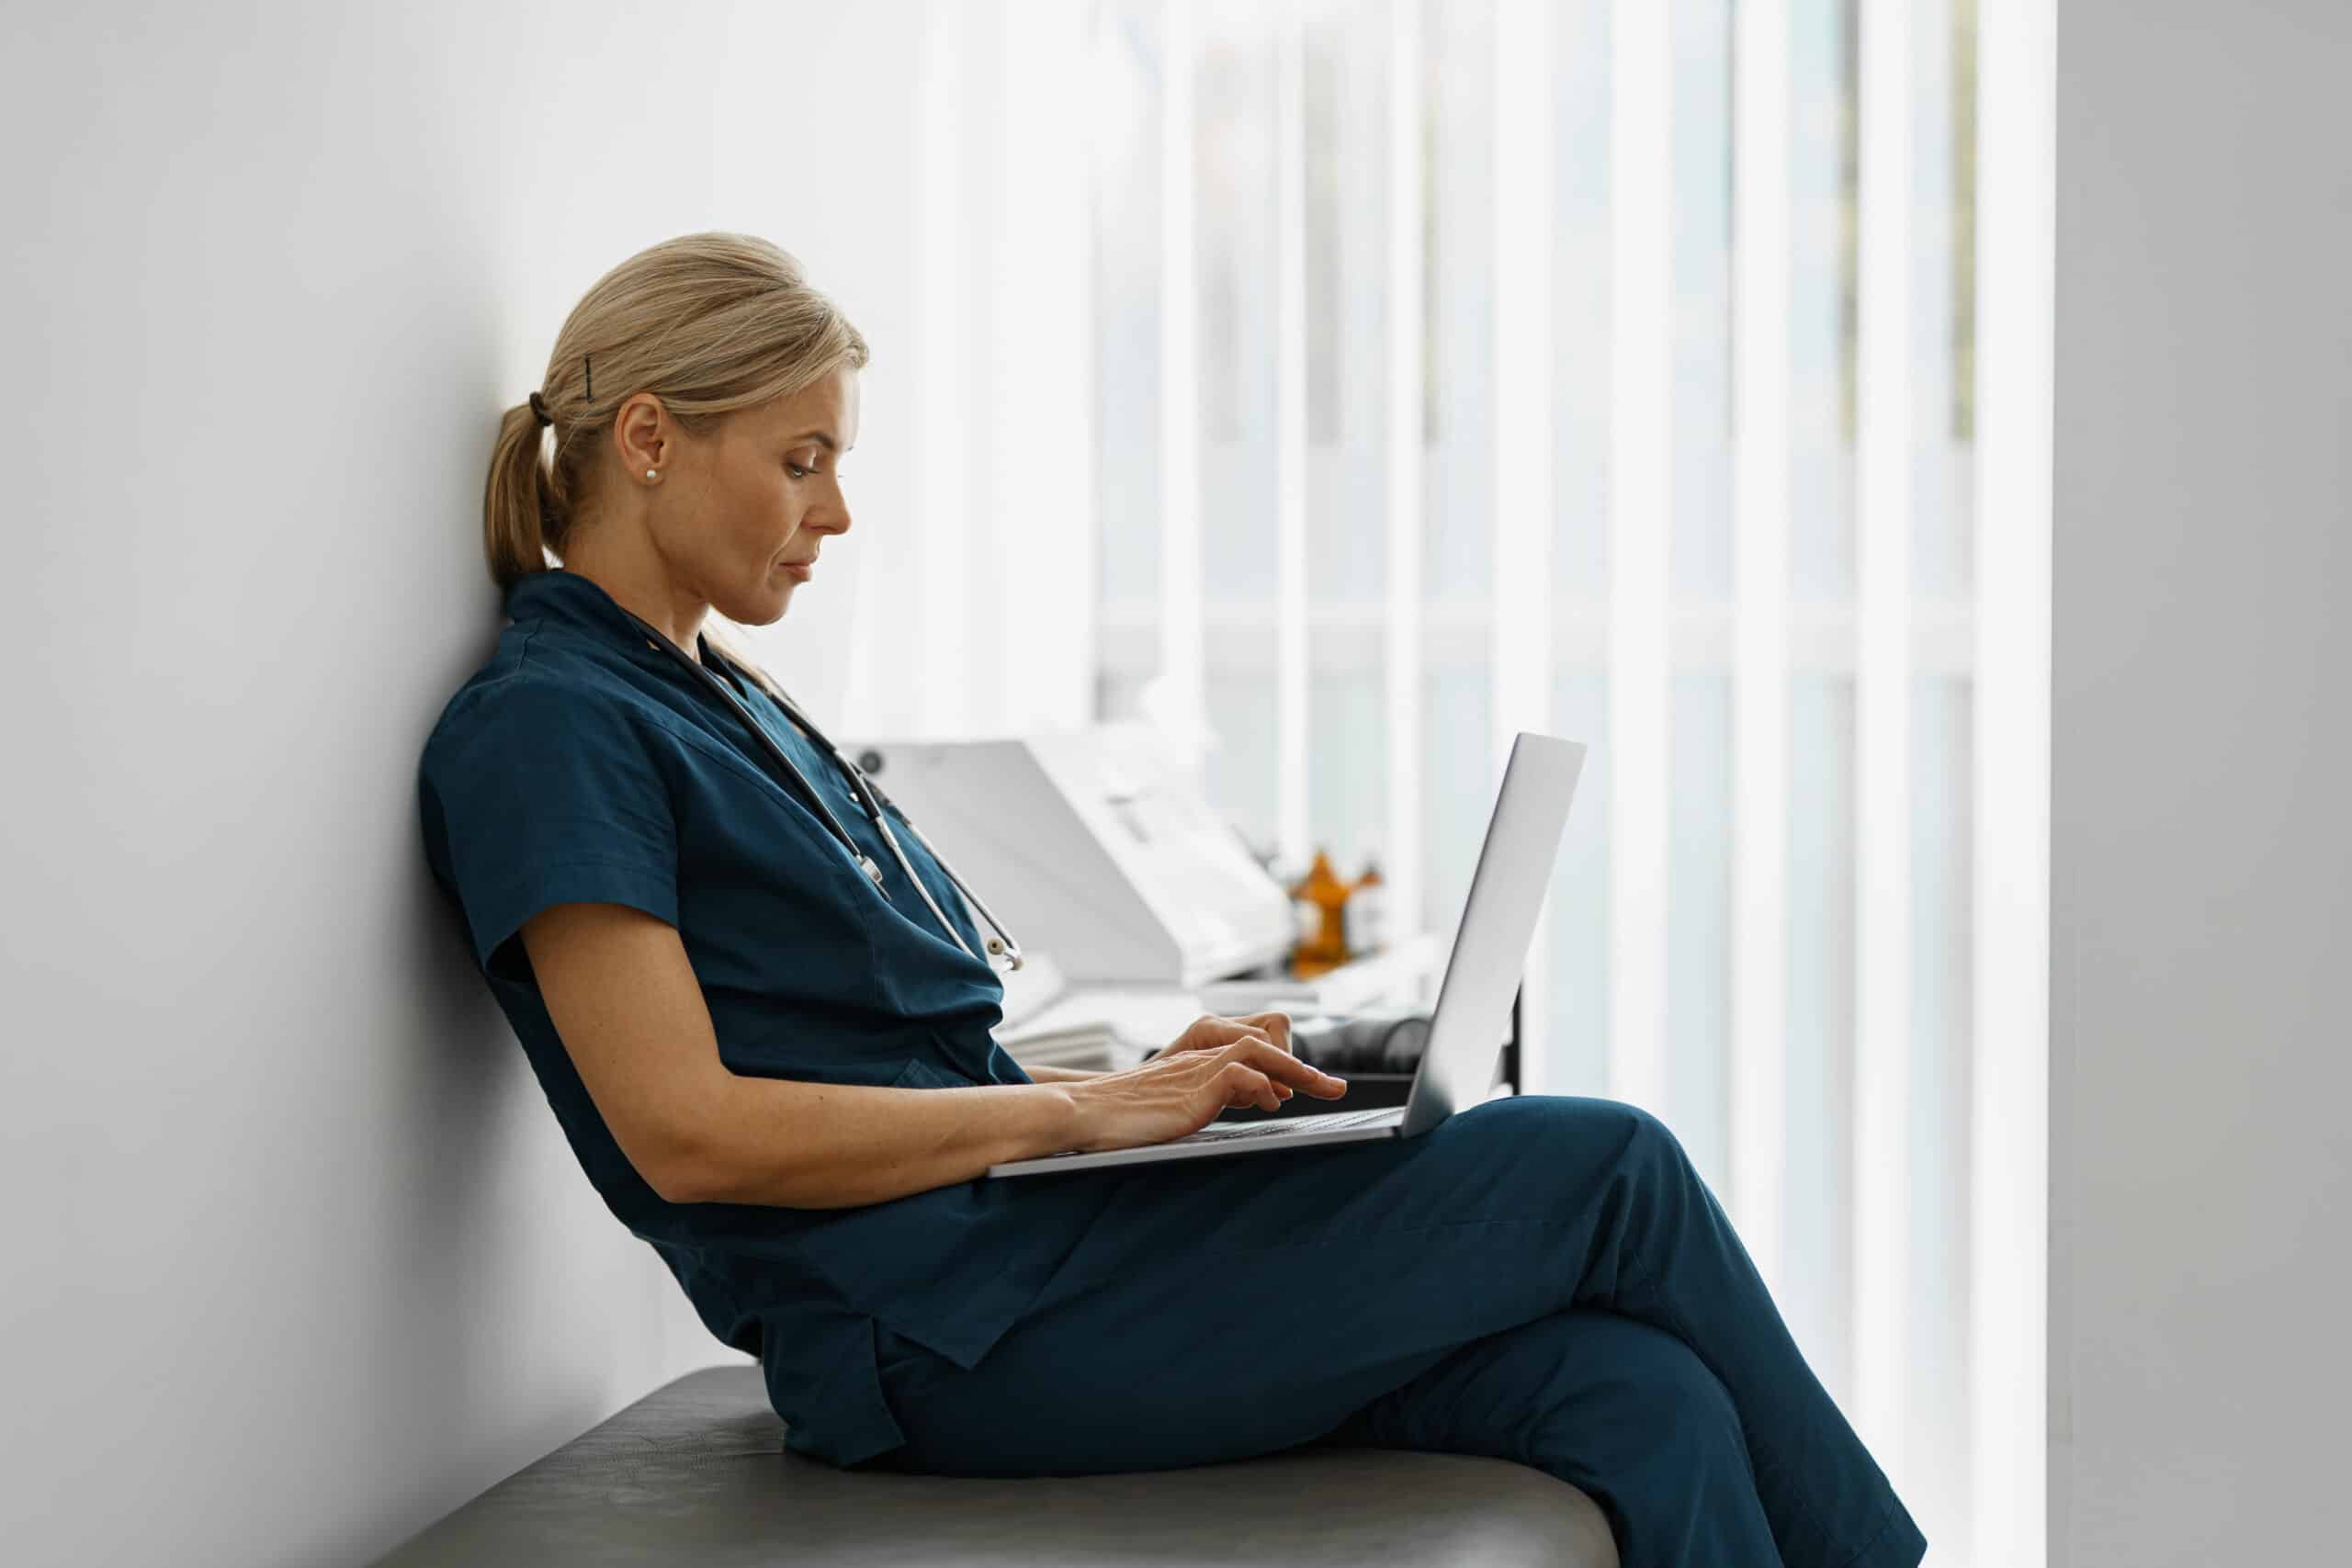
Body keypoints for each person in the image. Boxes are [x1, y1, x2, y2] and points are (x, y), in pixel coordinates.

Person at [417, 231, 1925, 1568]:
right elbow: (686, 1130)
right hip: (944, 1340)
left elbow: (891, 1060)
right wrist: (1072, 1121)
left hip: (1030, 1260)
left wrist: (1142, 1085)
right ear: (648, 438)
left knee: (1633, 1398)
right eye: (802, 460)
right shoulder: (553, 729)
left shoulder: (724, 699)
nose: (839, 512)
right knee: (1607, 1171)